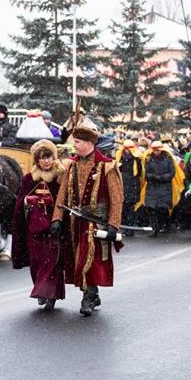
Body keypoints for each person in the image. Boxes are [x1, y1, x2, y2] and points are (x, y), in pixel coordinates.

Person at [50, 123, 123, 317]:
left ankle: (89, 297)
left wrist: (113, 224)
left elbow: (117, 198)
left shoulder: (107, 165)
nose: (74, 145)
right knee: (77, 259)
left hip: (96, 221)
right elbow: (62, 194)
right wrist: (57, 218)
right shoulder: (71, 165)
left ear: (89, 143)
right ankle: (92, 292)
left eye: (77, 141)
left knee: (88, 260)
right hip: (75, 221)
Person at [12, 139, 65, 310]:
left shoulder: (59, 177)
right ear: (37, 160)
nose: (46, 161)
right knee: (36, 261)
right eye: (42, 158)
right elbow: (20, 202)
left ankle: (49, 293)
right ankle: (41, 289)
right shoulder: (29, 178)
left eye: (49, 157)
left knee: (51, 261)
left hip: (53, 227)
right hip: (34, 227)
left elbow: (65, 200)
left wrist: (52, 205)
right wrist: (29, 200)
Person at [144, 140, 175, 237]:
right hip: (152, 187)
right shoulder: (149, 160)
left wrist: (162, 178)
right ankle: (155, 229)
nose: (156, 152)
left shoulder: (168, 159)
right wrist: (152, 177)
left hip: (164, 187)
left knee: (163, 209)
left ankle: (166, 225)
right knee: (152, 209)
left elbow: (172, 173)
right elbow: (146, 173)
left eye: (158, 150)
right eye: (154, 150)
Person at [116, 139, 144, 230]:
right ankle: (127, 226)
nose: (127, 151)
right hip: (126, 184)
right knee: (126, 207)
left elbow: (139, 172)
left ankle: (130, 227)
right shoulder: (120, 157)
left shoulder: (137, 158)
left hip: (131, 185)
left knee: (130, 207)